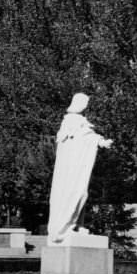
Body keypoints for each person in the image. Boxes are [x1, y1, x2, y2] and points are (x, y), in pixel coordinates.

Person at [47, 93, 113, 243]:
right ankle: (67, 226)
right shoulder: (72, 121)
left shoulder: (76, 121)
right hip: (71, 169)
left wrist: (99, 141)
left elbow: (87, 137)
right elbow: (84, 137)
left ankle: (75, 224)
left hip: (76, 167)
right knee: (76, 192)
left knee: (81, 192)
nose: (87, 106)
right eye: (85, 103)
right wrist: (101, 142)